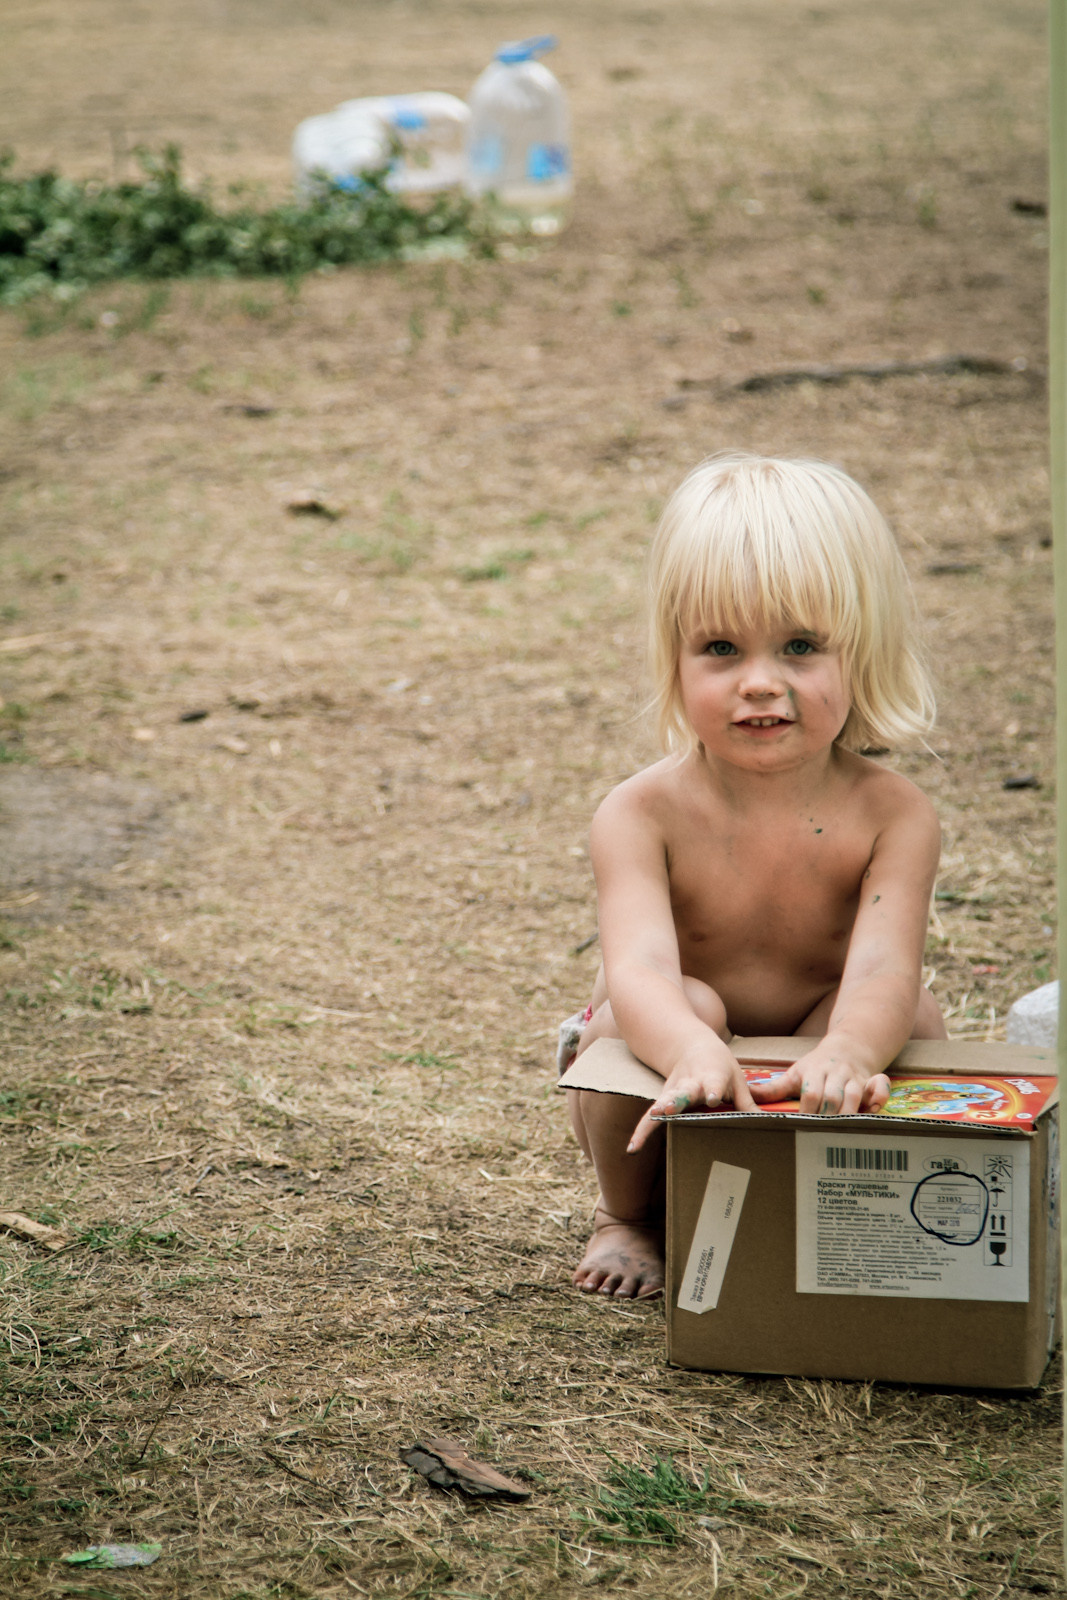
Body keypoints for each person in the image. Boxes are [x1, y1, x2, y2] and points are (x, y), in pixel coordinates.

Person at [563, 452, 947, 1301]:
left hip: (815, 1032)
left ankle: (821, 1203)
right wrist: (692, 1047)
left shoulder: (894, 813)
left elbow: (885, 966)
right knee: (653, 1013)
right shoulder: (639, 813)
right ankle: (628, 1214)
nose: (760, 682)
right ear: (674, 658)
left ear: (863, 650)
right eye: (720, 648)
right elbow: (640, 970)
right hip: (672, 1036)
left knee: (912, 1017)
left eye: (801, 646)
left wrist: (847, 1049)